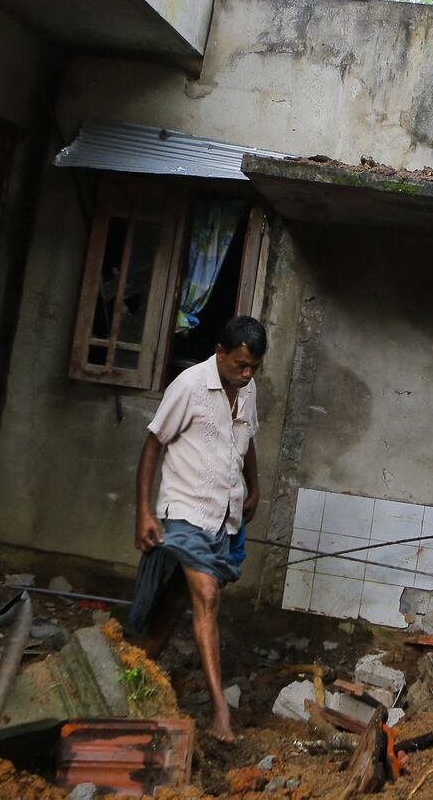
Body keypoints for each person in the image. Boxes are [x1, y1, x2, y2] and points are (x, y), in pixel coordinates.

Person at [128, 314, 266, 743]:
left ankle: (125, 680)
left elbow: (247, 440)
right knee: (206, 596)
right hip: (184, 511)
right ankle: (220, 712)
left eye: (254, 368)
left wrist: (255, 487)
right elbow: (153, 445)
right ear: (220, 353)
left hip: (222, 518)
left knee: (173, 607)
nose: (246, 374)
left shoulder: (247, 390)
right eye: (241, 365)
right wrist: (144, 513)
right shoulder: (189, 386)